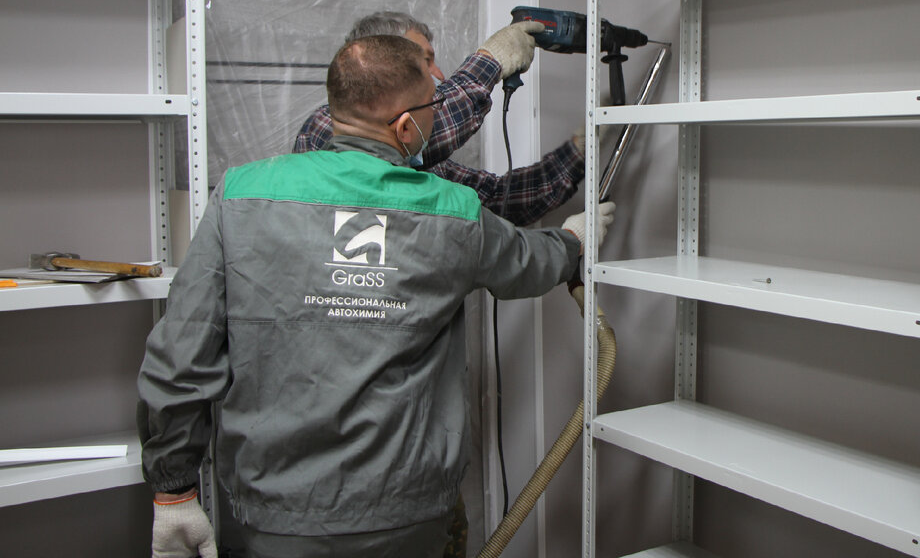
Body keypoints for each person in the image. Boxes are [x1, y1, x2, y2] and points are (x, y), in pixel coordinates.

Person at [138, 34, 616, 558]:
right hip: (405, 514)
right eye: (432, 107)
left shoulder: (240, 194)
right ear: (406, 126)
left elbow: (182, 352)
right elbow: (527, 262)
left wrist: (173, 489)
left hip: (270, 516)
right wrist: (573, 241)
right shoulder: (451, 210)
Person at [294, 11, 583, 226]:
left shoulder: (417, 156)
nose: (438, 75)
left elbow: (496, 199)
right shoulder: (326, 130)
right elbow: (442, 122)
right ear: (379, 65)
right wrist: (490, 60)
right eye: (424, 62)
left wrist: (578, 152)